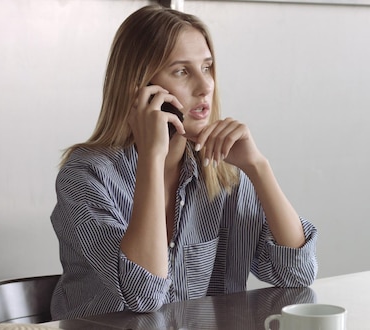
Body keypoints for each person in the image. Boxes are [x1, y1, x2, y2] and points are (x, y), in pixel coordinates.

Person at [49, 4, 318, 320]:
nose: (205, 87)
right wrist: (152, 156)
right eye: (182, 71)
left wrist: (258, 166)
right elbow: (143, 293)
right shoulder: (86, 176)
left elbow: (298, 275)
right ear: (140, 87)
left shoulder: (222, 172)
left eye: (206, 68)